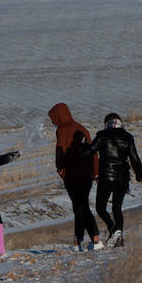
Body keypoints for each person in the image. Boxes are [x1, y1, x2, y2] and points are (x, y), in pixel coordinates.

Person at [86, 113, 142, 248]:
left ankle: (112, 227)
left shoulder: (102, 136)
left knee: (100, 208)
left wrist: (80, 147)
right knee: (117, 208)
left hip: (106, 178)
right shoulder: (128, 137)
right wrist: (139, 173)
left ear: (106, 123)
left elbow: (89, 152)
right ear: (120, 122)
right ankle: (119, 240)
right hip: (122, 179)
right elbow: (134, 158)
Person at [48, 103, 102, 252]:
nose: (53, 122)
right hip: (87, 174)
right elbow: (94, 151)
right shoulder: (82, 128)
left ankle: (95, 237)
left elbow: (60, 153)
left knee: (81, 206)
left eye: (53, 119)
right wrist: (96, 171)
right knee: (79, 206)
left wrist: (60, 170)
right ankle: (77, 241)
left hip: (72, 175)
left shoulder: (62, 130)